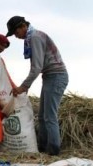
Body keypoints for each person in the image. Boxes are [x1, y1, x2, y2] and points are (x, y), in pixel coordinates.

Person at [5, 16, 69, 155]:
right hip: (49, 77)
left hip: (57, 76)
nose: (16, 37)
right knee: (42, 116)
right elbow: (37, 67)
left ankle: (53, 150)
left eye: (16, 33)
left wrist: (23, 86)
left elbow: (36, 67)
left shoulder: (35, 37)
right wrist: (26, 86)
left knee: (49, 116)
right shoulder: (32, 37)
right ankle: (42, 147)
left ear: (23, 26)